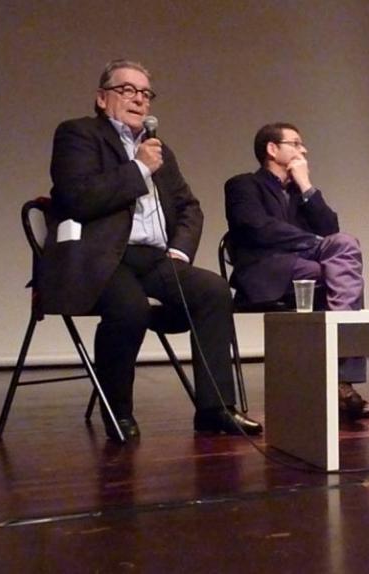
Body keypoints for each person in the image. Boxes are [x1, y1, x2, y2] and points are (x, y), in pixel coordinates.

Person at [39, 59, 262, 441]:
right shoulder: (79, 134)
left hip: (155, 259)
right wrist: (139, 169)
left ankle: (216, 409)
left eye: (145, 93)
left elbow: (189, 207)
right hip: (102, 258)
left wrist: (180, 251)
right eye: (127, 90)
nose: (139, 99)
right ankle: (118, 412)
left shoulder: (159, 150)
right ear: (102, 98)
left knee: (213, 291)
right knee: (130, 308)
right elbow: (78, 197)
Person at [224, 123, 369, 419]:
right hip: (266, 269)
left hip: (306, 266)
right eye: (295, 144)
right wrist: (313, 241)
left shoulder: (300, 191)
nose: (303, 150)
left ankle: (338, 361)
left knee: (345, 245)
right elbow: (257, 228)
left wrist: (306, 185)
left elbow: (332, 230)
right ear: (272, 149)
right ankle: (341, 376)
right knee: (339, 275)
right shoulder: (243, 185)